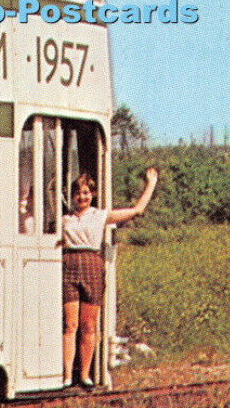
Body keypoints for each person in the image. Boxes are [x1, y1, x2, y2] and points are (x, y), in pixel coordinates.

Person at [62, 166, 158, 389]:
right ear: (73, 196)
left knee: (89, 325)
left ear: (92, 195)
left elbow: (137, 210)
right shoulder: (65, 219)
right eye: (77, 193)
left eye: (86, 192)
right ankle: (67, 375)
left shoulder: (100, 215)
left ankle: (84, 375)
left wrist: (151, 183)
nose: (81, 197)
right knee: (70, 325)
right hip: (69, 267)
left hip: (92, 267)